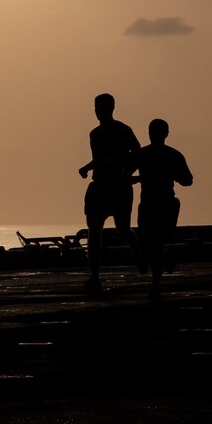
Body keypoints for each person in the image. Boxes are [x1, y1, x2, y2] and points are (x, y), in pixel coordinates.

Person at [77, 93, 141, 294]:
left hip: (119, 188)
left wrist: (127, 173)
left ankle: (139, 252)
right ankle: (94, 277)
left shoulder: (124, 130)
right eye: (96, 107)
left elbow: (137, 154)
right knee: (94, 233)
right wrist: (86, 168)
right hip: (99, 187)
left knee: (123, 230)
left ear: (111, 108)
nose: (98, 111)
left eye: (101, 107)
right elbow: (99, 159)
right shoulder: (94, 134)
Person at [135, 119, 193, 299]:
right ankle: (157, 271)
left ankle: (155, 285)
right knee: (151, 245)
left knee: (154, 244)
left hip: (161, 203)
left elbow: (187, 180)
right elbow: (187, 180)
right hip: (156, 203)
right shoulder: (171, 155)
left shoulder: (144, 154)